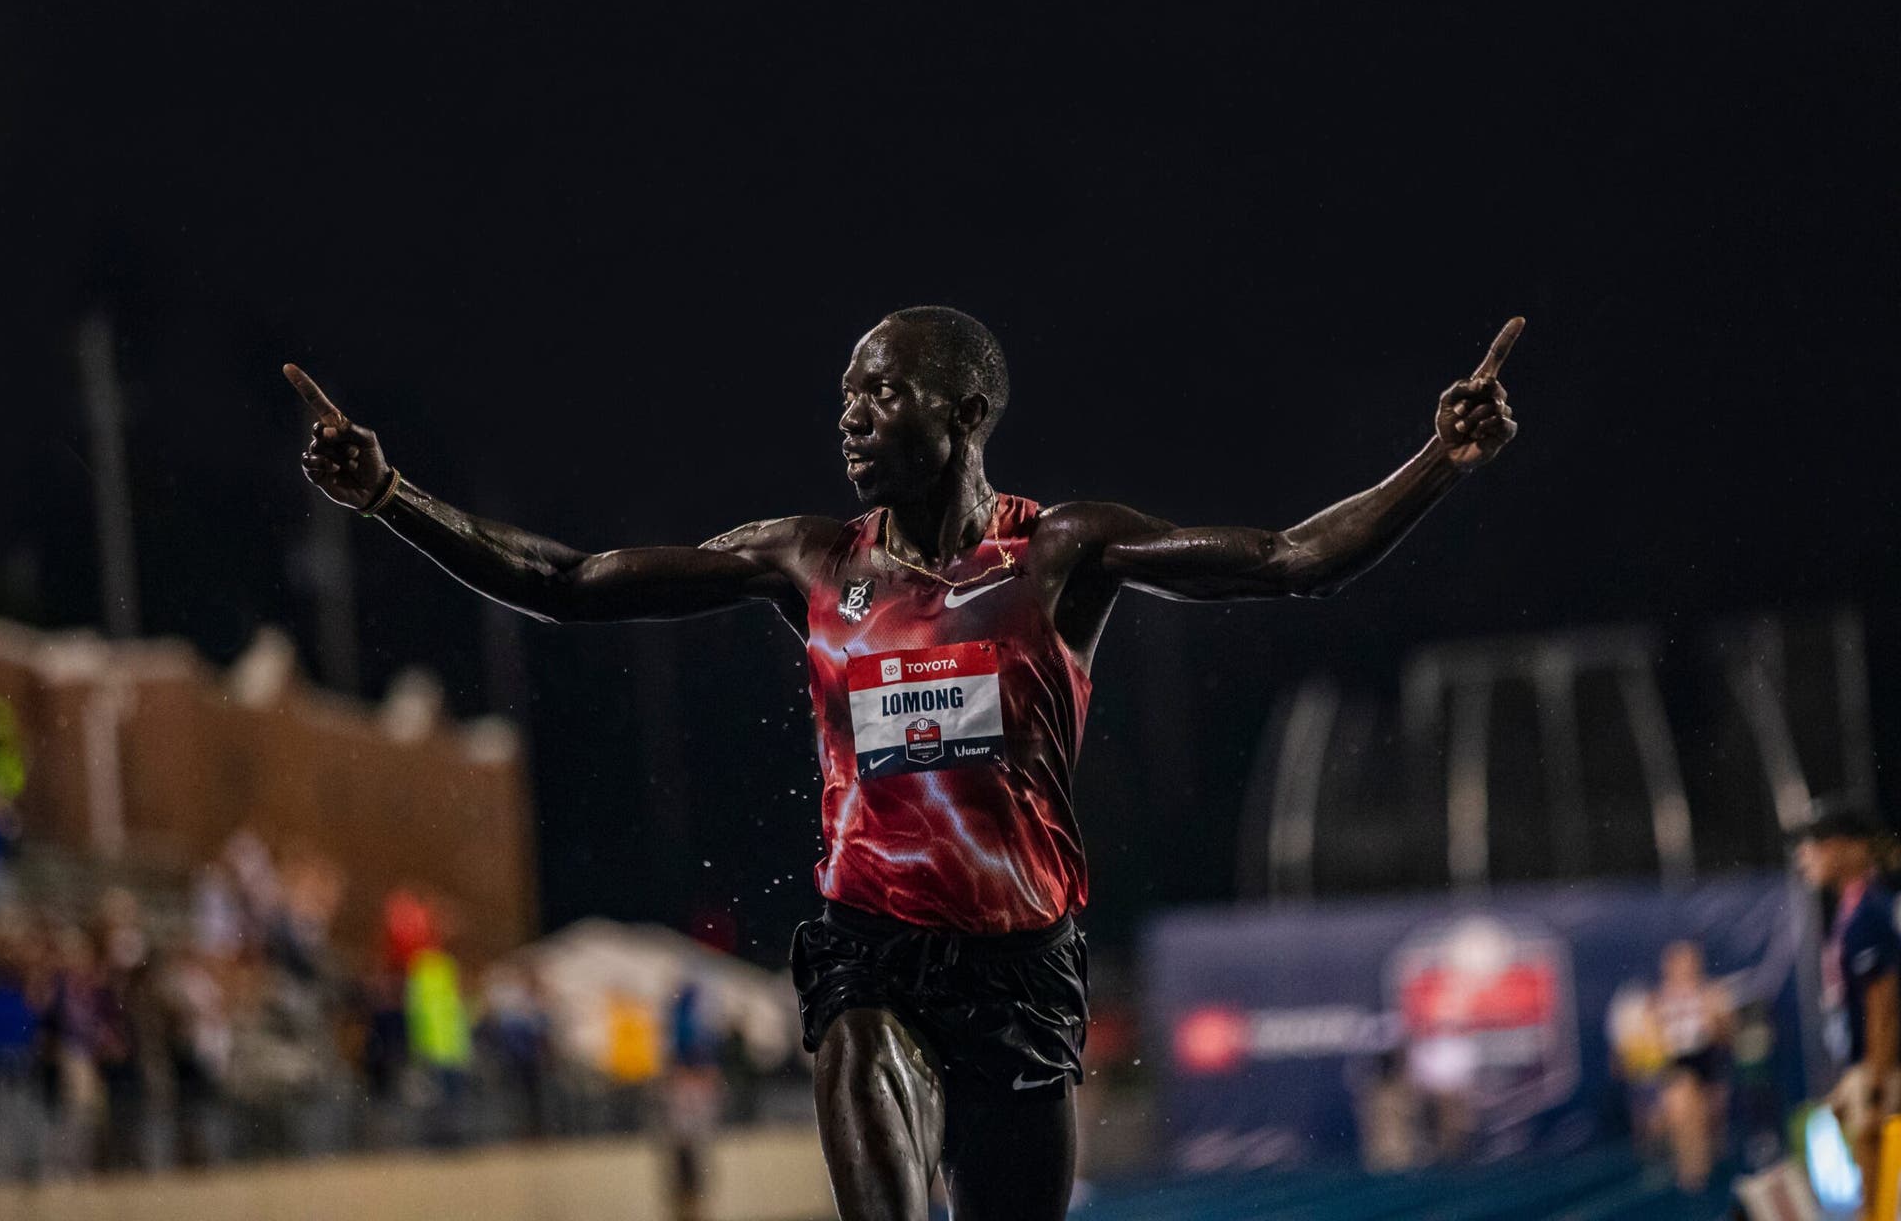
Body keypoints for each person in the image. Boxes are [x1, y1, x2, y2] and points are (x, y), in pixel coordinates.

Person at [286, 306, 1522, 1220]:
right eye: (843, 397)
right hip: (868, 941)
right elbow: (569, 583)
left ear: (966, 410)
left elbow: (1291, 558)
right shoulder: (811, 561)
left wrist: (1439, 463)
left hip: (1022, 963)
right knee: (869, 1085)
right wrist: (393, 495)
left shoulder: (1062, 554)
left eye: (881, 393)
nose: (850, 415)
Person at [1794, 804, 1901, 1217]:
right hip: (1865, 1061)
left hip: (1880, 1064)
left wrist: (1875, 1081)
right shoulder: (1851, 909)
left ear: (1852, 849)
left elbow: (1884, 1004)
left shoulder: (1868, 912)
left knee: (1875, 1202)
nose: (1809, 854)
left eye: (1822, 843)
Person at [1651, 940, 1733, 1192]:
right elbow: (1651, 1034)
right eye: (1678, 962)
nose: (1683, 968)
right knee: (1680, 1108)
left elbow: (1726, 1031)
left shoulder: (1710, 992)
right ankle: (1690, 1171)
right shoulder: (1660, 997)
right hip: (1678, 1063)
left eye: (1688, 962)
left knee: (1703, 1118)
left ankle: (1700, 1167)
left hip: (1706, 1059)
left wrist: (1717, 1021)